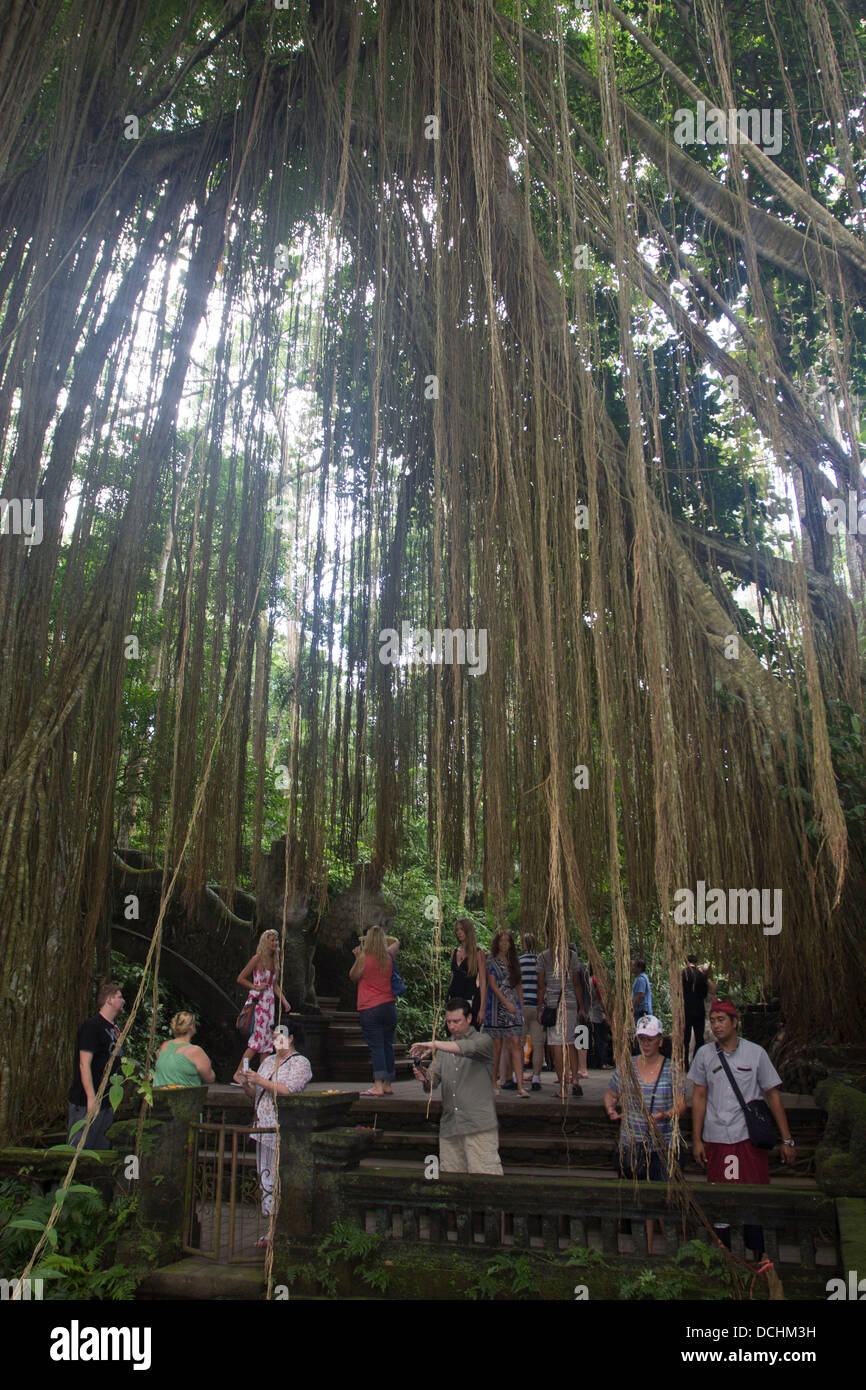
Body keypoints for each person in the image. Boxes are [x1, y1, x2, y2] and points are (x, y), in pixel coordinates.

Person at [689, 999, 796, 1258]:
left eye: (721, 1020)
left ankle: (757, 1257)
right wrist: (697, 1140)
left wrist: (787, 1140)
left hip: (747, 1139)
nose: (716, 1025)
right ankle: (724, 1256)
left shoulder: (756, 1053)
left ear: (735, 1022)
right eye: (713, 1020)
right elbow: (699, 1097)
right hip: (717, 1137)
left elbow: (772, 1095)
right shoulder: (704, 1054)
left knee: (753, 1193)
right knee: (721, 1196)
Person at [603, 1014, 686, 1254]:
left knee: (665, 1200)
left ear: (660, 1040)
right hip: (634, 1145)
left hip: (663, 1144)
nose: (646, 1044)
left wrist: (666, 1114)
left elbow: (682, 1105)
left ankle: (672, 1255)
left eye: (650, 1039)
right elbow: (611, 1093)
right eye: (641, 1039)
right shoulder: (627, 1067)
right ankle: (645, 1253)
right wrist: (610, 1107)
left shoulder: (672, 1069)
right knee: (641, 1202)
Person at [411, 998, 503, 1174]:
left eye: (456, 1021)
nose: (452, 1026)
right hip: (450, 1126)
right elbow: (433, 1081)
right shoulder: (443, 1049)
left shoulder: (483, 1041)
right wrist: (423, 1076)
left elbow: (466, 1048)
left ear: (469, 1019)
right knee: (450, 1182)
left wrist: (435, 1044)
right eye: (448, 1022)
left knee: (485, 1180)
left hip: (478, 1126)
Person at [241, 1022, 312, 1247]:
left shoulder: (300, 1063)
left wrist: (260, 1080)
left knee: (282, 1176)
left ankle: (283, 1228)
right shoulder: (268, 1061)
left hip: (284, 1128)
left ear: (290, 1038)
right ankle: (271, 1229)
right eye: (272, 1037)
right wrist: (247, 1083)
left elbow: (288, 1089)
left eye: (279, 1037)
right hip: (263, 1129)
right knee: (266, 1177)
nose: (274, 1041)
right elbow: (257, 1093)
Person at [67, 981, 125, 1150]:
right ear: (109, 1000)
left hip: (107, 1101)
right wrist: (91, 1097)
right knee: (80, 1148)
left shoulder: (114, 1029)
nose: (123, 1000)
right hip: (87, 1102)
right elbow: (84, 1063)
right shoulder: (92, 1027)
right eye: (120, 997)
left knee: (100, 1150)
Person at [232, 930, 291, 1084]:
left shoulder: (275, 961)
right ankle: (241, 1072)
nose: (275, 943)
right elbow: (241, 978)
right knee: (256, 1041)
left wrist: (284, 1001)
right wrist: (255, 986)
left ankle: (262, 1076)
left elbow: (275, 986)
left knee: (266, 1044)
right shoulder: (257, 959)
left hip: (269, 1004)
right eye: (272, 940)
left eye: (276, 940)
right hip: (258, 1003)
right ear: (266, 942)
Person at [349, 923, 400, 1097]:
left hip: (370, 1007)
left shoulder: (364, 957)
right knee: (387, 1045)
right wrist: (378, 937)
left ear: (368, 940)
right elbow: (396, 941)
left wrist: (358, 956)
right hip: (389, 1006)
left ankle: (377, 1085)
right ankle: (388, 1084)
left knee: (376, 1046)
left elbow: (353, 976)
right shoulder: (389, 955)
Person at [536, 940, 586, 1097]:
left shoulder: (543, 957)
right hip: (570, 1003)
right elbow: (577, 984)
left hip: (553, 1005)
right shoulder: (572, 956)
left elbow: (542, 986)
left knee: (556, 1044)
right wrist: (581, 1007)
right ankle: (575, 1079)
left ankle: (563, 1088)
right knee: (570, 1042)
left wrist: (539, 1008)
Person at [485, 930, 528, 1097]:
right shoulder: (492, 962)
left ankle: (520, 1085)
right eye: (501, 941)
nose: (504, 944)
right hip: (497, 1006)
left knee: (516, 1043)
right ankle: (493, 1082)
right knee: (497, 1046)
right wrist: (506, 1003)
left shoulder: (514, 962)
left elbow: (518, 985)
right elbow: (492, 985)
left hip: (513, 1006)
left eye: (507, 941)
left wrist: (520, 1007)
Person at [152, 1011, 215, 1087]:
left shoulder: (164, 1045)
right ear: (191, 1026)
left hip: (158, 1097)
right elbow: (210, 1078)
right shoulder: (195, 1051)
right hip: (184, 1097)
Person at [447, 918, 487, 1029]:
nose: (458, 932)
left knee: (469, 1035)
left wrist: (482, 1009)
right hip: (454, 998)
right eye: (457, 930)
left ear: (468, 930)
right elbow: (453, 976)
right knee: (454, 1035)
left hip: (469, 999)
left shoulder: (478, 953)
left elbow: (483, 982)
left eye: (461, 929)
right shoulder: (454, 952)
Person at [518, 931, 544, 1091]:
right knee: (538, 1044)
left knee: (519, 1044)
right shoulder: (540, 961)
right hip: (536, 1006)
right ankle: (536, 1077)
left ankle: (517, 1075)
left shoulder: (519, 962)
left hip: (522, 1007)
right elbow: (543, 986)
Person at [682, 953, 715, 1065]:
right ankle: (697, 1062)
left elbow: (678, 992)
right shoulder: (702, 976)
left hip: (686, 1010)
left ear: (686, 961)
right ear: (696, 962)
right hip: (699, 1011)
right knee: (699, 1038)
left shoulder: (682, 974)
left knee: (686, 1038)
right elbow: (704, 994)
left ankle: (685, 1064)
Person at [587, 971, 613, 1069]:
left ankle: (596, 1063)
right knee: (601, 1040)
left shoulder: (588, 980)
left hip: (591, 1013)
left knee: (595, 1039)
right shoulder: (595, 981)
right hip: (597, 1014)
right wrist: (607, 1015)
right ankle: (602, 1062)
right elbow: (601, 999)